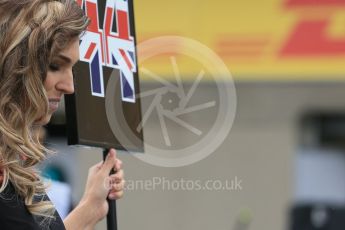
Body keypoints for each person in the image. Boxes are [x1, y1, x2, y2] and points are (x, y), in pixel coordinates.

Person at [0, 0, 125, 229]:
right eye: (56, 66)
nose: (70, 86)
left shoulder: (10, 162)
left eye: (72, 69)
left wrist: (91, 207)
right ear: (14, 64)